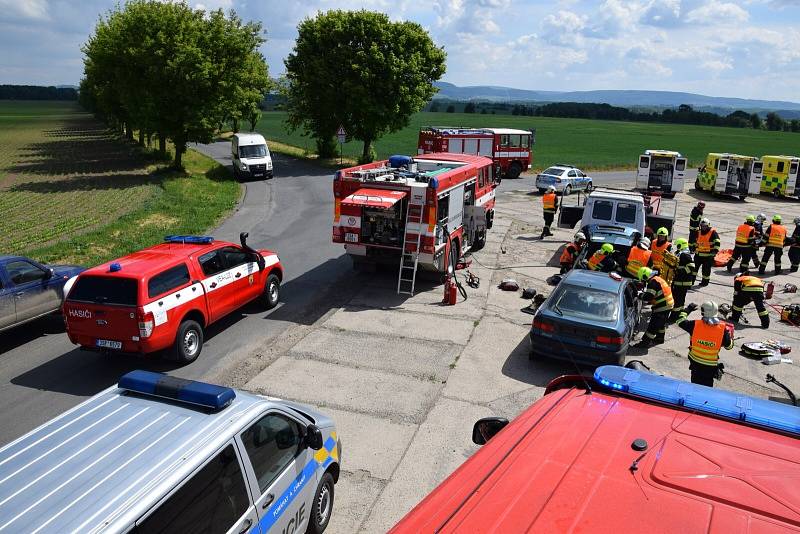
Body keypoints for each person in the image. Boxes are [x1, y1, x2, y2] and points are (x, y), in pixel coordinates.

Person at [676, 301, 733, 387]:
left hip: (695, 363)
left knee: (694, 385)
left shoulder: (694, 325)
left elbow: (679, 320)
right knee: (706, 388)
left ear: (703, 312)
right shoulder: (722, 329)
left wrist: (689, 309)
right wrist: (730, 337)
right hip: (710, 367)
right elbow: (729, 346)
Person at [634, 266, 674, 348]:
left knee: (653, 325)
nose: (643, 281)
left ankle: (645, 343)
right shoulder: (657, 279)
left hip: (663, 306)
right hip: (668, 304)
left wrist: (639, 295)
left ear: (645, 276)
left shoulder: (653, 283)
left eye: (643, 279)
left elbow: (648, 297)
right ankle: (660, 338)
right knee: (661, 323)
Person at [669, 238, 696, 322]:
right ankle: (677, 314)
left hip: (682, 283)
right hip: (679, 282)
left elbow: (691, 267)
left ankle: (674, 317)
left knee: (678, 301)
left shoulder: (685, 255)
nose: (677, 247)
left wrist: (679, 271)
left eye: (678, 245)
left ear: (681, 245)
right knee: (678, 300)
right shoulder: (680, 254)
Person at [694, 217, 720, 287]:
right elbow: (695, 241)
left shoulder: (713, 232)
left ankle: (704, 282)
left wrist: (715, 252)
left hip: (708, 256)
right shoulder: (698, 232)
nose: (703, 227)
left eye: (705, 226)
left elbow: (717, 242)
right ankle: (691, 282)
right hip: (698, 255)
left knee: (705, 271)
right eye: (702, 226)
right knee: (694, 270)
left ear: (708, 225)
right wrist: (693, 247)